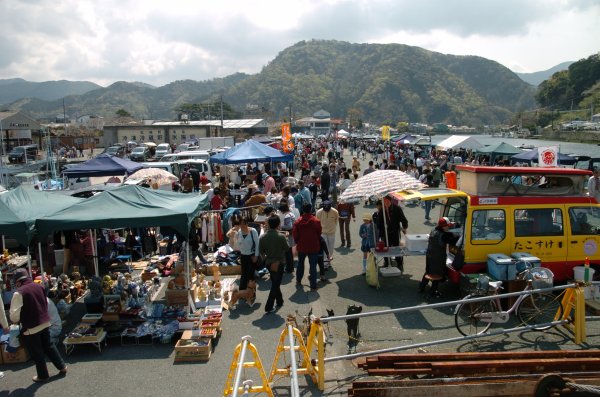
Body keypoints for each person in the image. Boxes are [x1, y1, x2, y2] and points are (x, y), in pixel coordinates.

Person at [10, 269, 67, 382]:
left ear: (18, 282)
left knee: (37, 351)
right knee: (49, 346)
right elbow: (45, 303)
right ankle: (62, 366)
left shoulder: (19, 293)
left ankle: (43, 375)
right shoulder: (39, 286)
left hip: (31, 326)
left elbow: (14, 317)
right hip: (45, 322)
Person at [418, 217, 460, 298]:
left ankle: (421, 288)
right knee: (437, 274)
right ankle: (432, 292)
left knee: (428, 271)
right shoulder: (444, 235)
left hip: (429, 255)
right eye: (447, 225)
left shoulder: (433, 230)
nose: (448, 227)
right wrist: (457, 235)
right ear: (443, 226)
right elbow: (453, 241)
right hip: (438, 257)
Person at [259, 216, 289, 313]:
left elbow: (261, 252)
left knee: (275, 282)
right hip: (279, 262)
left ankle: (280, 301)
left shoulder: (263, 237)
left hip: (269, 262)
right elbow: (287, 249)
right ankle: (269, 306)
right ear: (278, 224)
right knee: (276, 284)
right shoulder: (281, 236)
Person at [293, 203, 322, 289]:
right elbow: (319, 233)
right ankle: (313, 285)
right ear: (311, 209)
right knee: (313, 266)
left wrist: (298, 242)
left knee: (300, 264)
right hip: (313, 245)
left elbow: (295, 235)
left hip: (302, 246)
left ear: (303, 209)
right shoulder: (316, 221)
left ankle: (298, 280)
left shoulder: (298, 221)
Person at [376, 196, 408, 269]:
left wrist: (404, 227)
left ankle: (399, 263)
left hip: (395, 231)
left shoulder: (397, 208)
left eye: (387, 201)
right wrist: (381, 233)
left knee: (396, 247)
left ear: (390, 201)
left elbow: (403, 219)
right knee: (386, 248)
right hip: (385, 232)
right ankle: (387, 262)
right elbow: (379, 223)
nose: (386, 203)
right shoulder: (382, 210)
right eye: (384, 202)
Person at [236, 217, 260, 294]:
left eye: (244, 223)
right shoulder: (239, 232)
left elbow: (257, 244)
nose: (242, 225)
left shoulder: (253, 231)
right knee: (243, 274)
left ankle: (251, 293)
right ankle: (242, 292)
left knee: (250, 275)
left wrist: (256, 256)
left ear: (247, 223)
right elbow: (236, 245)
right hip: (243, 256)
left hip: (251, 256)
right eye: (241, 224)